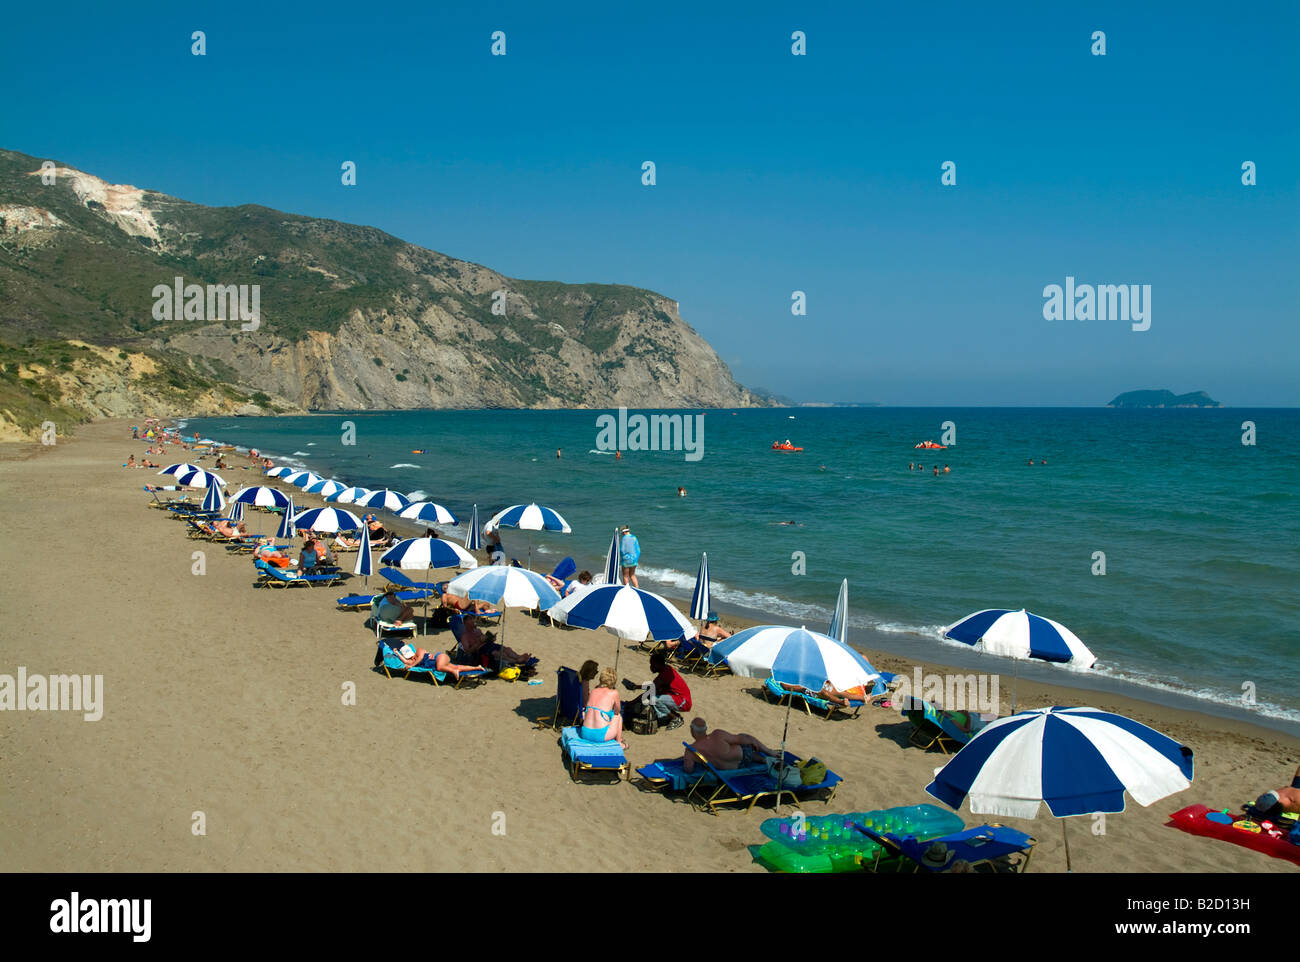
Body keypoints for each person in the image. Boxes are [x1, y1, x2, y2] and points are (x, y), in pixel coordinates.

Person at [682, 718, 777, 773]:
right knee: (743, 737)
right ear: (705, 729)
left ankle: (762, 758)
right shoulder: (717, 734)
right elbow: (745, 739)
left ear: (691, 730)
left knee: (739, 746)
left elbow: (688, 770)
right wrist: (756, 744)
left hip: (731, 768)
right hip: (745, 757)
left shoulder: (690, 751)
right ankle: (769, 754)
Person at [630, 652, 691, 729]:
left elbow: (650, 689)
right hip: (678, 698)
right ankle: (672, 715)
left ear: (658, 664)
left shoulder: (666, 674)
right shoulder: (665, 671)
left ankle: (675, 718)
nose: (651, 667)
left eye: (652, 664)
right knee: (653, 697)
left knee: (655, 700)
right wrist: (632, 702)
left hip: (683, 701)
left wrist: (636, 687)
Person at [459, 614, 533, 668]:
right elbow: (468, 651)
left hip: (488, 645)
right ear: (465, 624)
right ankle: (517, 661)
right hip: (481, 650)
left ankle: (519, 656)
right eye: (470, 621)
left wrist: (491, 638)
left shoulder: (478, 630)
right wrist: (479, 642)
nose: (473, 622)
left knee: (507, 649)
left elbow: (485, 639)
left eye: (473, 620)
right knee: (499, 654)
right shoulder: (464, 636)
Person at [581, 667, 626, 748]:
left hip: (585, 733)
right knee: (618, 716)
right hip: (600, 736)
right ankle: (619, 742)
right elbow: (617, 711)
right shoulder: (614, 693)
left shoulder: (594, 691)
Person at [780, 679, 868, 708]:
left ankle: (862, 698)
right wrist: (805, 686)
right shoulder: (782, 681)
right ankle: (841, 702)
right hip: (808, 690)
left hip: (815, 684)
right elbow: (789, 688)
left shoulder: (795, 673)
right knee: (824, 693)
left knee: (839, 692)